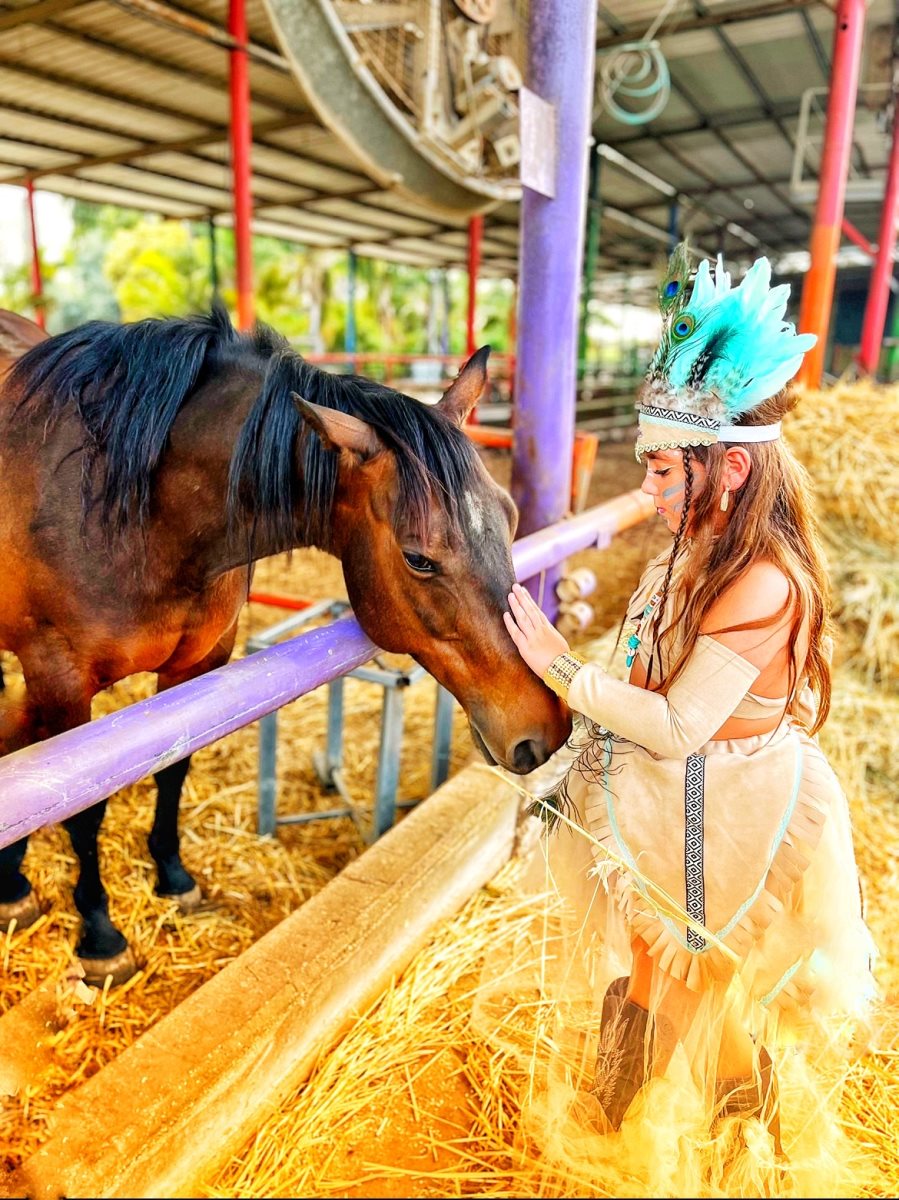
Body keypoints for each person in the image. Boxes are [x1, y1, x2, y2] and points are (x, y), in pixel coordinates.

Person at [502, 246, 877, 1172]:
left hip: (733, 806)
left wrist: (558, 668)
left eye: (667, 471)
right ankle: (677, 1134)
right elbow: (647, 673)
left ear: (734, 472)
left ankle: (666, 1142)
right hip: (670, 793)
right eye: (651, 468)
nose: (650, 491)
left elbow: (676, 723)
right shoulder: (693, 549)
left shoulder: (761, 583)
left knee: (694, 981)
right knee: (667, 975)